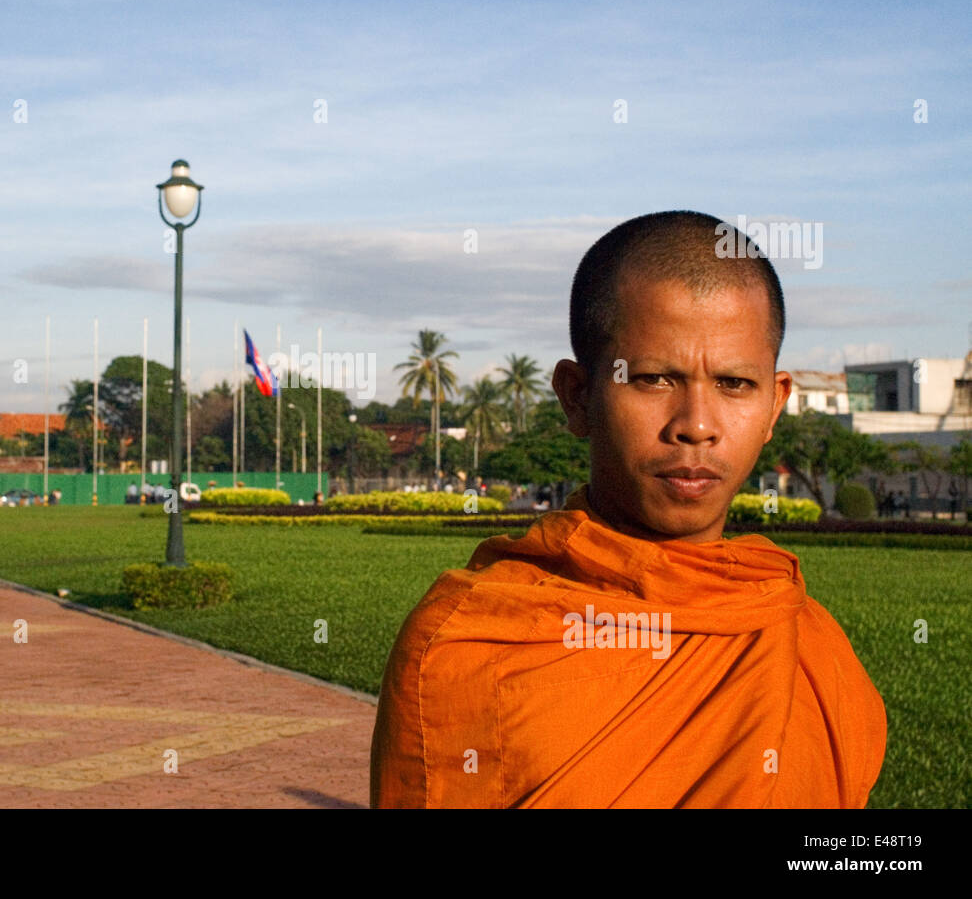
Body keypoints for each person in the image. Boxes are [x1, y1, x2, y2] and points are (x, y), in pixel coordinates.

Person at [371, 210, 887, 808]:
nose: (696, 425)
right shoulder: (474, 646)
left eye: (734, 384)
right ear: (577, 396)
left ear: (775, 405)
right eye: (652, 378)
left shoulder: (807, 644)